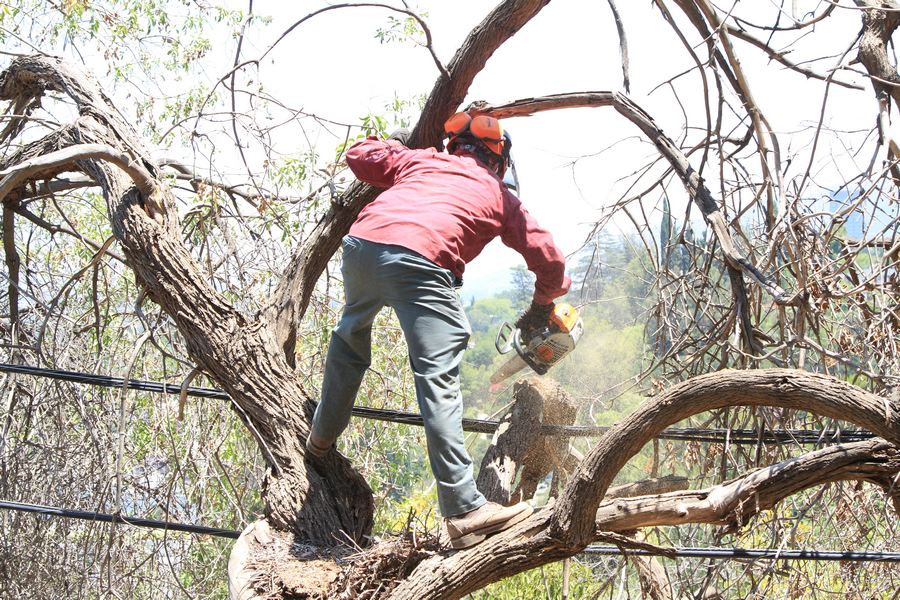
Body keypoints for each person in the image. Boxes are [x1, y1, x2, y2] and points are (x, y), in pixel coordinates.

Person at [306, 111, 571, 549]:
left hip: (362, 248)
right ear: (499, 159)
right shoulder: (499, 194)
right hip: (421, 262)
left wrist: (394, 143)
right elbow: (552, 262)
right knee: (437, 378)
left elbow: (358, 154)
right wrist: (541, 306)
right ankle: (465, 508)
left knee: (350, 340)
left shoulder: (422, 161)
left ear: (455, 147)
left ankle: (320, 438)